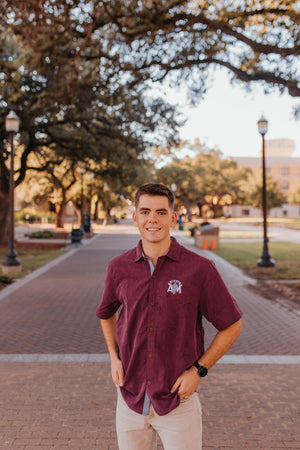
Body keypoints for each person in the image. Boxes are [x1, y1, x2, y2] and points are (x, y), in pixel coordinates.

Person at [96, 183, 242, 450]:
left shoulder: (200, 269)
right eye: (145, 211)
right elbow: (106, 313)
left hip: (178, 400)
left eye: (161, 212)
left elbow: (231, 326)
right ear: (135, 218)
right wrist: (113, 357)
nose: (153, 219)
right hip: (130, 397)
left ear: (173, 218)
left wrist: (199, 370)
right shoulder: (118, 267)